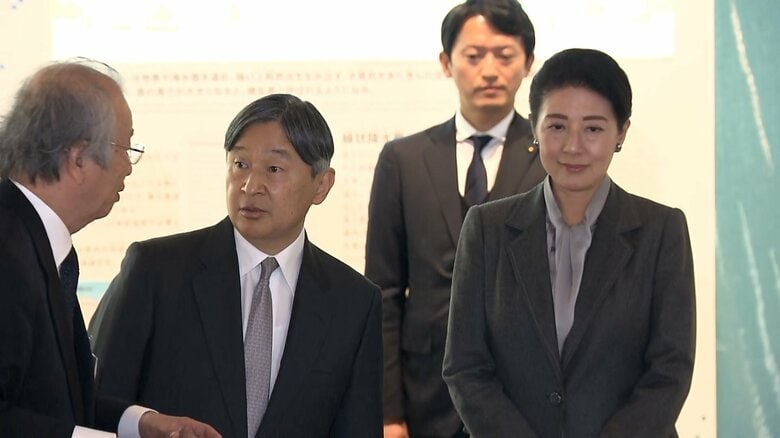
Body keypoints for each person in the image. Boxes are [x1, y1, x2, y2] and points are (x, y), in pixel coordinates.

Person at [88, 93, 383, 438]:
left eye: (274, 169)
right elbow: (94, 403)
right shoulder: (155, 271)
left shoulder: (353, 302)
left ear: (321, 185)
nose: (250, 186)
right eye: (240, 164)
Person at [442, 48, 696, 437]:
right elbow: (465, 367)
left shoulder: (661, 231)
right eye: (557, 126)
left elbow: (670, 370)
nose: (573, 146)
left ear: (621, 132)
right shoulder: (486, 229)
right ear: (534, 126)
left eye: (593, 129)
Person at [0, 60, 220, 437]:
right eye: (124, 147)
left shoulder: (29, 236)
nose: (128, 167)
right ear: (78, 159)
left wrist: (141, 424)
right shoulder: (7, 253)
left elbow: (50, 400)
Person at [365, 0, 545, 436]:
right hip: (426, 395)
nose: (490, 71)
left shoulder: (551, 157)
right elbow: (383, 293)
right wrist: (388, 414)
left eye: (505, 55)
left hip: (525, 396)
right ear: (446, 62)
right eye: (474, 55)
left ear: (528, 63)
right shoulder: (404, 160)